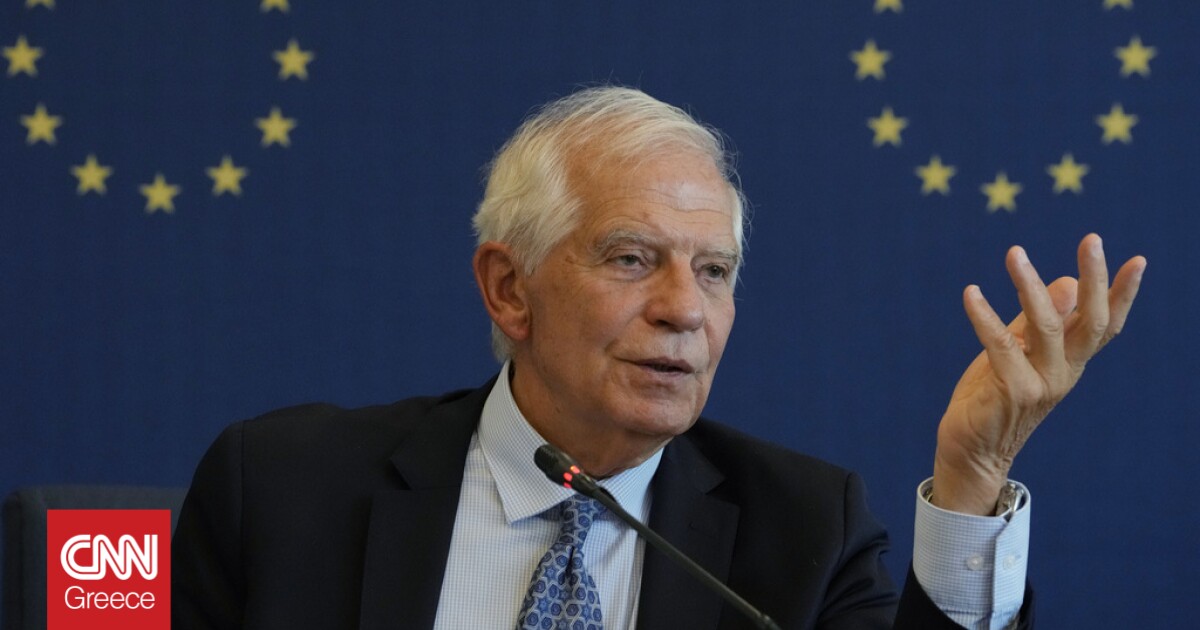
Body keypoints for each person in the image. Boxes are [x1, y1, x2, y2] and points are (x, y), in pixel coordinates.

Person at [172, 86, 1146, 629]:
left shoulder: (804, 531)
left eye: (714, 271)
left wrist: (973, 475)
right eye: (632, 259)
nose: (684, 309)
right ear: (509, 288)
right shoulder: (280, 487)